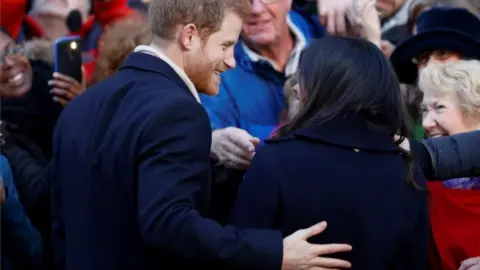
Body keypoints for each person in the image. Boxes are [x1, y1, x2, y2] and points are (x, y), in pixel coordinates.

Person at [50, 0, 352, 270]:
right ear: (190, 36)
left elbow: (59, 225)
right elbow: (169, 224)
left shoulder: (81, 107)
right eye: (225, 45)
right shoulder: (179, 111)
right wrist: (274, 252)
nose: (231, 61)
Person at [229, 36, 429, 269]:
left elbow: (242, 252)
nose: (295, 88)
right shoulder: (407, 171)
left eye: (305, 78)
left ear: (327, 88)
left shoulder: (276, 160)